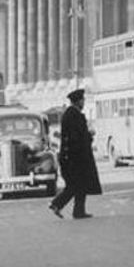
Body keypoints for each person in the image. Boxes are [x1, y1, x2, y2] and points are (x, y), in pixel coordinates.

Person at [49, 88, 102, 219]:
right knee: (76, 185)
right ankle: (58, 204)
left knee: (79, 185)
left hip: (73, 157)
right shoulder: (74, 115)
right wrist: (89, 135)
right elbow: (76, 138)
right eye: (82, 100)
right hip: (75, 158)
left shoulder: (71, 114)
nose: (83, 103)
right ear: (78, 101)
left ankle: (76, 210)